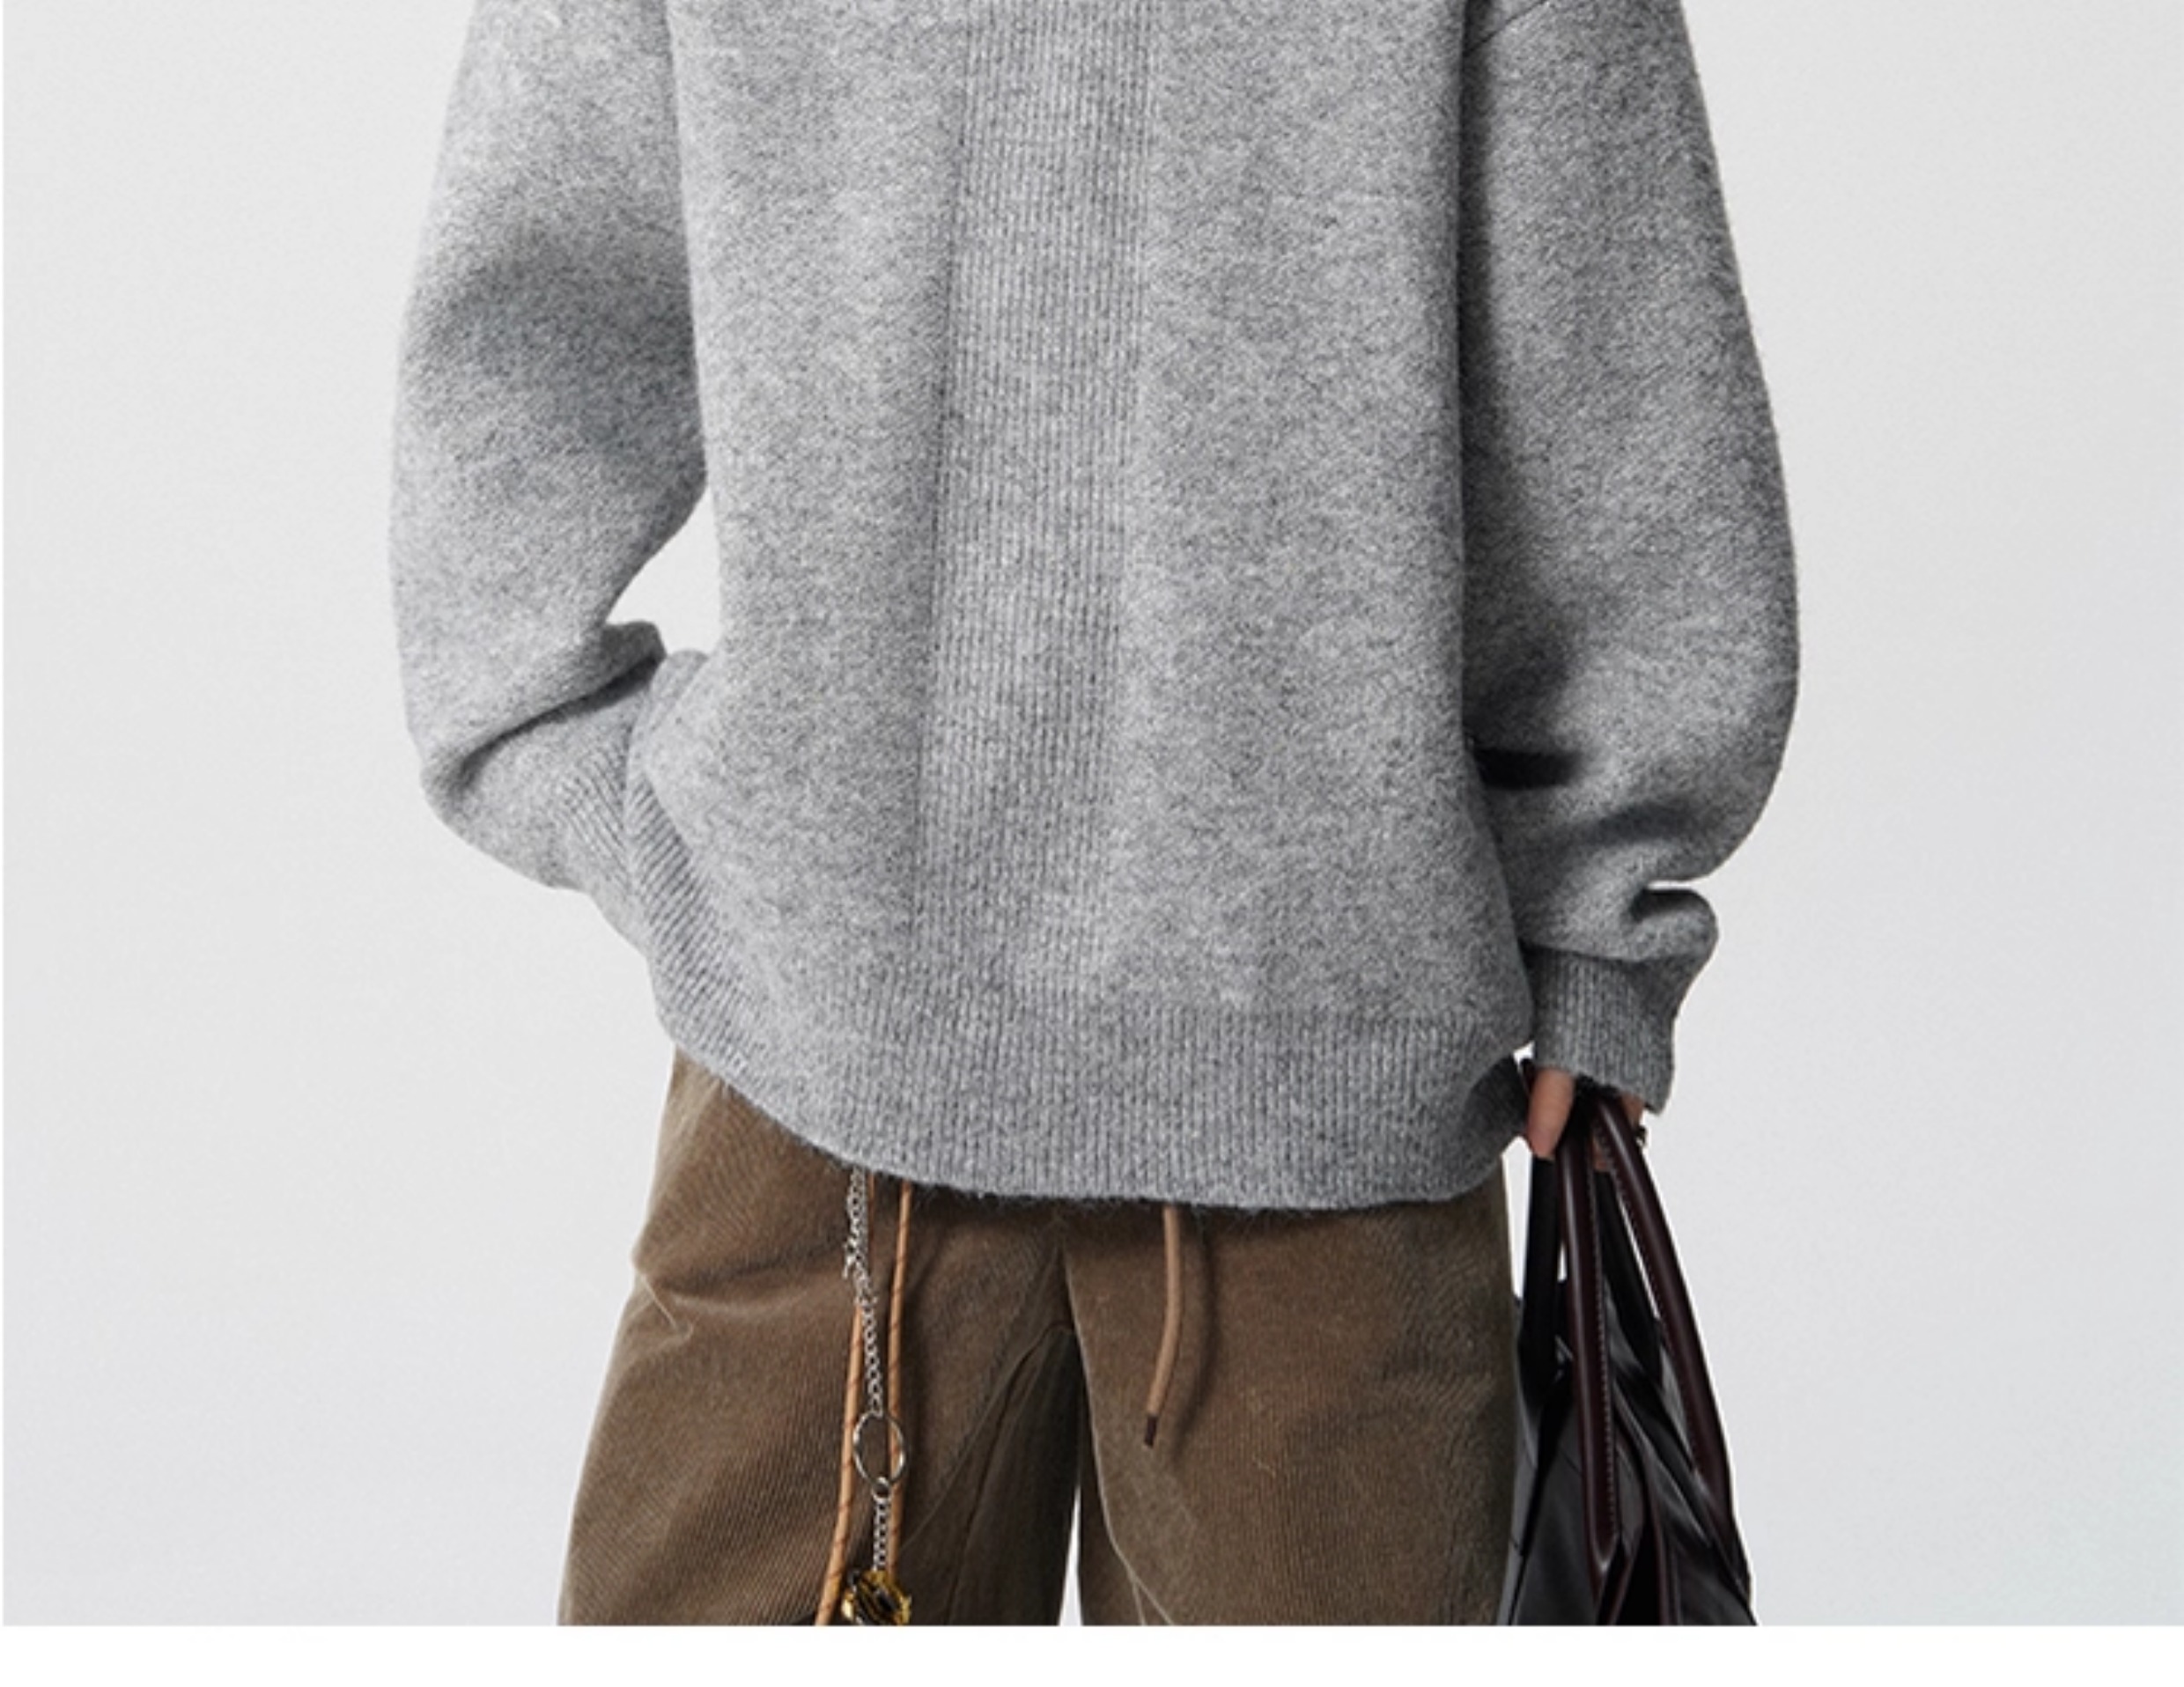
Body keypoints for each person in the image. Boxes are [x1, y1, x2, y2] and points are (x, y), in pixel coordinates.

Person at [387, 0, 1797, 1625]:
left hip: (1319, 1094)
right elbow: (536, 321)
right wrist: (581, 758)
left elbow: (1613, 360)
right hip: (829, 1068)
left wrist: (1604, 909)